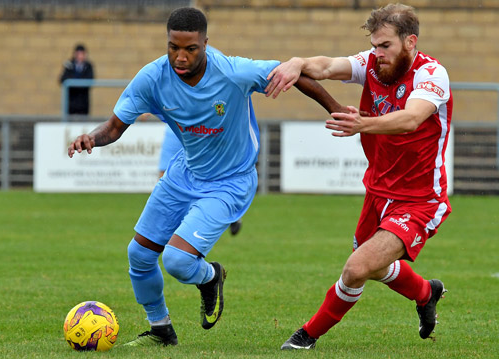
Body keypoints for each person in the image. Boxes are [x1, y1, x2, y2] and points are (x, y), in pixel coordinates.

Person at [68, 7, 347, 347]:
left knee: (177, 260)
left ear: (205, 43)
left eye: (190, 49)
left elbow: (295, 74)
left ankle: (210, 276)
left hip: (230, 181)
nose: (180, 56)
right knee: (139, 256)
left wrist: (335, 108)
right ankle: (161, 330)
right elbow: (114, 127)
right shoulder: (153, 78)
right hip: (185, 173)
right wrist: (91, 139)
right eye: (173, 47)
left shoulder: (232, 71)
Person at [265, 3, 453, 350]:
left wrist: (361, 124)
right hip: (378, 191)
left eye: (386, 46)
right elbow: (325, 66)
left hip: (420, 199)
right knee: (375, 267)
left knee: (355, 268)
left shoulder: (431, 75)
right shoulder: (371, 65)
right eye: (374, 45)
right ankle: (426, 293)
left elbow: (410, 119)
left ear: (410, 42)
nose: (377, 54)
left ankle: (306, 337)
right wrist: (296, 63)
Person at [158, 117, 243, 236]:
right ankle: (168, 221)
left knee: (211, 173)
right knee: (164, 174)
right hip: (174, 127)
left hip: (200, 126)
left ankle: (230, 209)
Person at [59, 44, 94, 115]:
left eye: (82, 54)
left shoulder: (88, 66)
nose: (80, 56)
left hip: (83, 101)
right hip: (71, 101)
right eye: (78, 54)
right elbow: (62, 79)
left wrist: (76, 84)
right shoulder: (69, 65)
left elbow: (90, 80)